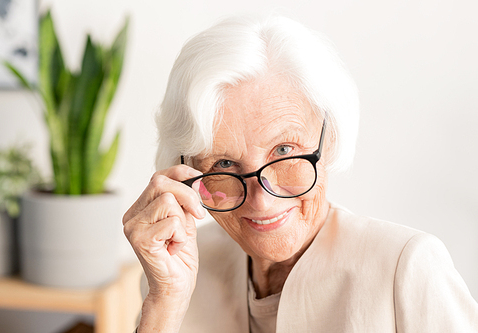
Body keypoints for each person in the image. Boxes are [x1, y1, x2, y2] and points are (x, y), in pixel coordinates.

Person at [123, 14, 478, 333]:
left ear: (330, 137)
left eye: (283, 151)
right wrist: (164, 303)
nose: (261, 199)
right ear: (186, 174)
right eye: (224, 165)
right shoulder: (176, 270)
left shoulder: (407, 268)